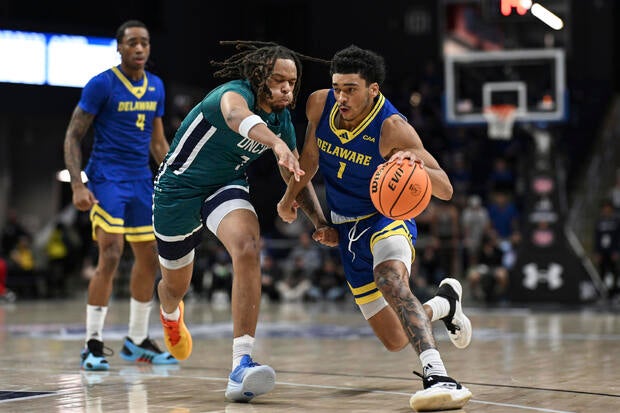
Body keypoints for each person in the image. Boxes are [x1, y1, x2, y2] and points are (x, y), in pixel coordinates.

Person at [277, 45, 472, 411]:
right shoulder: (320, 104)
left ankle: (438, 374)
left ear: (373, 90)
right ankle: (444, 304)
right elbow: (310, 159)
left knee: (390, 279)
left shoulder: (392, 128)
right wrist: (294, 202)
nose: (341, 96)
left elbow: (445, 187)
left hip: (387, 217)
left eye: (351, 88)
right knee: (396, 338)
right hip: (347, 230)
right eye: (337, 87)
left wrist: (415, 162)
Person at [152, 41, 337, 403]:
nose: (287, 88)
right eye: (278, 80)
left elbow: (295, 176)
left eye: (292, 82)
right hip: (177, 190)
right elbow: (238, 118)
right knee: (175, 286)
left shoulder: (281, 118)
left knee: (249, 247)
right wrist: (276, 144)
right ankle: (170, 314)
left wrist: (319, 220)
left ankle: (241, 365)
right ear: (258, 79)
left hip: (224, 185)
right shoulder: (231, 95)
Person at [63, 20, 176, 371]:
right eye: (132, 43)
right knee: (110, 254)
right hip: (106, 178)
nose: (139, 48)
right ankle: (92, 344)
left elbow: (158, 143)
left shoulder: (156, 86)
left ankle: (137, 340)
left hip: (140, 180)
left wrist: (177, 177)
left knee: (149, 258)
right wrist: (78, 185)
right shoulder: (102, 84)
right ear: (119, 47)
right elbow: (72, 136)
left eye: (144, 43)